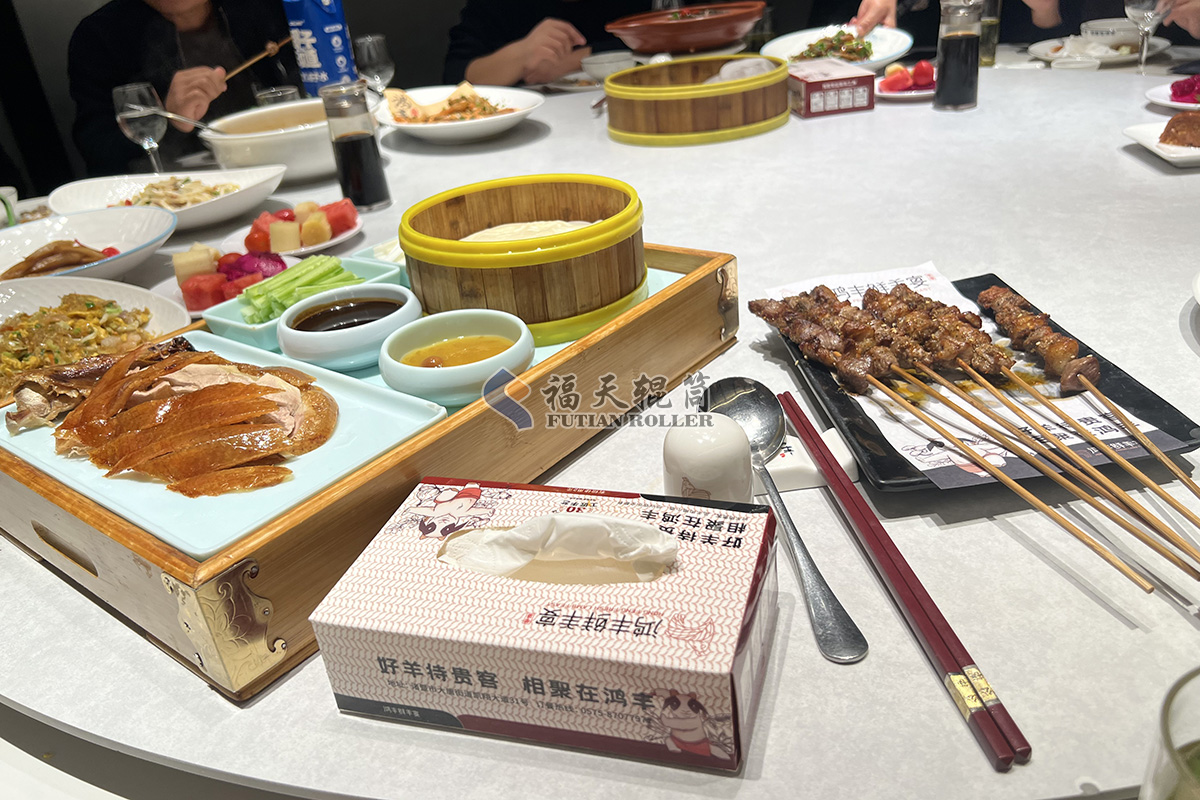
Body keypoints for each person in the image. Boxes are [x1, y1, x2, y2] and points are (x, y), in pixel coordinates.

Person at [68, 0, 301, 176]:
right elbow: (99, 152)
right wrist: (167, 119)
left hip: (290, 158)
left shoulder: (269, 6)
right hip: (186, 188)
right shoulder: (101, 35)